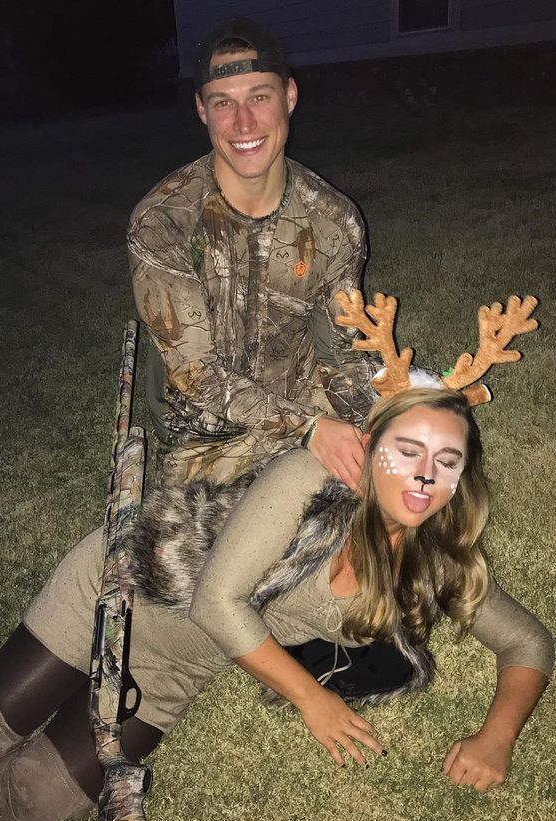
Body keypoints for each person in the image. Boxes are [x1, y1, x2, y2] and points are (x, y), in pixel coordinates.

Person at [0, 381, 554, 821]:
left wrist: (495, 737)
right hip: (122, 591)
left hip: (174, 667)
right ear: (372, 445)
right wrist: (310, 696)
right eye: (408, 449)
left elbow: (527, 642)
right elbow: (218, 599)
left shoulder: (436, 561)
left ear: (461, 477)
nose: (422, 475)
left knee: (26, 807)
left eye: (446, 460)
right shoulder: (310, 478)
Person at [128, 17, 378, 490]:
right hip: (205, 430)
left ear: (290, 96)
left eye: (260, 97)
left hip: (303, 399)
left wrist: (379, 418)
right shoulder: (164, 222)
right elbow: (196, 375)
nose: (244, 123)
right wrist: (308, 432)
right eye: (225, 103)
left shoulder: (335, 220)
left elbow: (341, 353)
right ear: (202, 109)